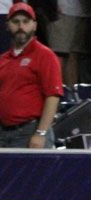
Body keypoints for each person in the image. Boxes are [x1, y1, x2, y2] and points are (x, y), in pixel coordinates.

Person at [0, 3, 61, 149]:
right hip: (3, 132)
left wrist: (41, 133)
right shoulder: (3, 59)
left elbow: (53, 96)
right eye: (16, 22)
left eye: (26, 21)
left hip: (29, 131)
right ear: (7, 25)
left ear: (34, 25)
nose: (21, 26)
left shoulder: (45, 55)